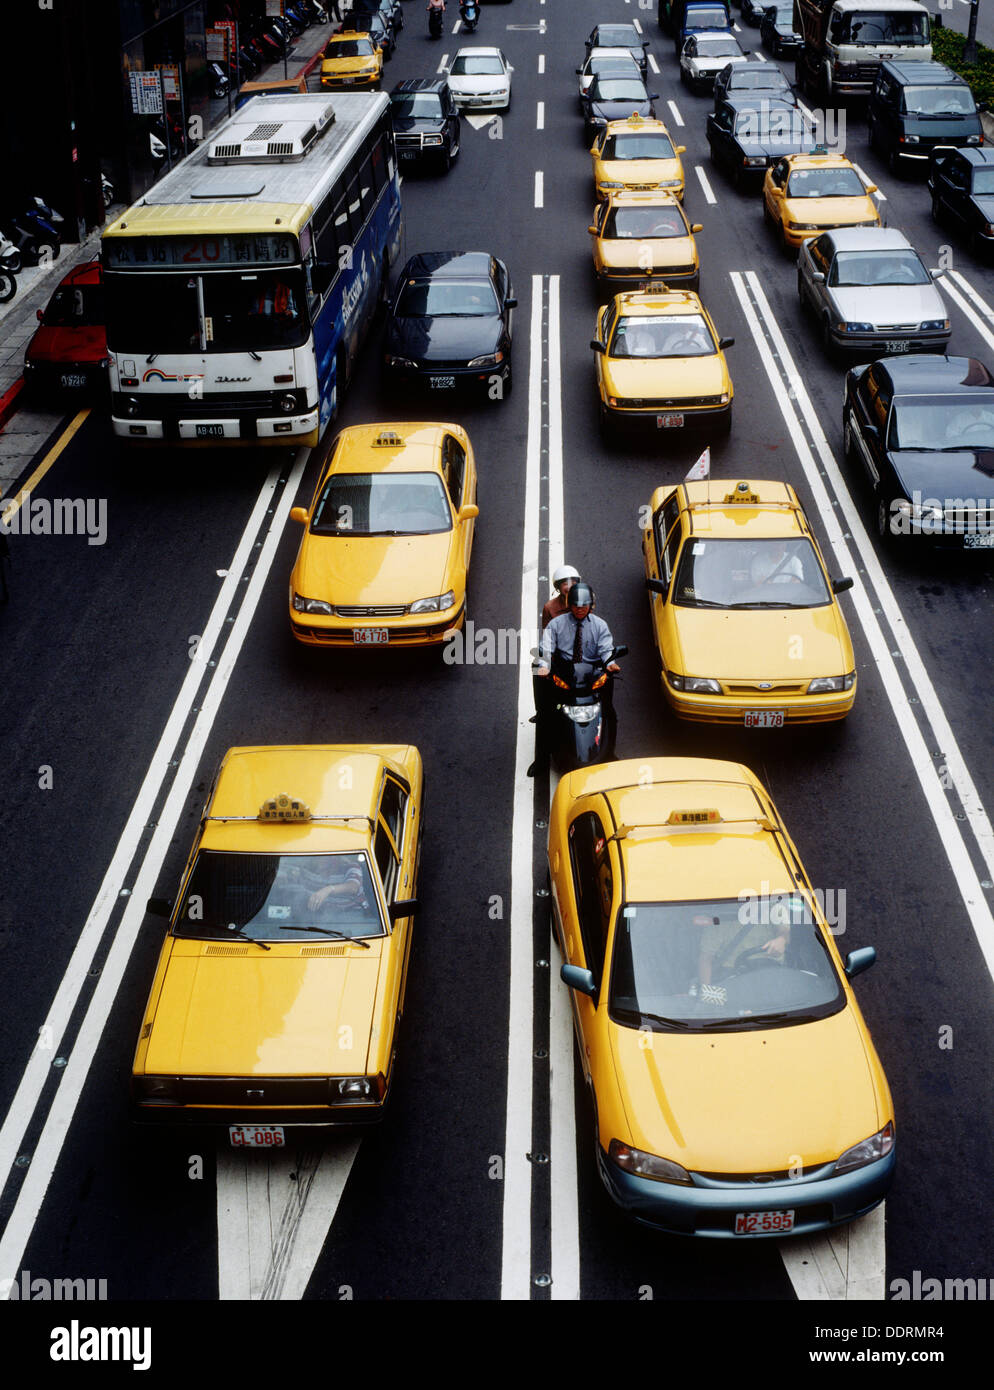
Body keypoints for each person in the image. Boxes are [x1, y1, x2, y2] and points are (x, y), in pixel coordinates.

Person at [541, 564, 580, 629]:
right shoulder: (549, 607)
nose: (570, 587)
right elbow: (547, 634)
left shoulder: (585, 602)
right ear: (558, 587)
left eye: (573, 583)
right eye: (565, 584)